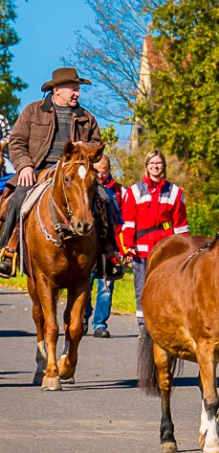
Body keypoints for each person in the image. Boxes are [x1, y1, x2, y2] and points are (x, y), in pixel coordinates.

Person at [0, 67, 108, 278]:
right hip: (38, 169)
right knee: (16, 200)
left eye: (78, 89)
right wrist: (24, 166)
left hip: (74, 172)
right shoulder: (33, 111)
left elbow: (97, 144)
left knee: (105, 200)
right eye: (73, 89)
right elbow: (17, 141)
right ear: (57, 89)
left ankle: (108, 255)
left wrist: (83, 147)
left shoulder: (87, 117)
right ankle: (8, 251)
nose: (77, 93)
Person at [121, 150, 188, 335]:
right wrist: (127, 247)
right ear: (146, 166)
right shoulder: (134, 191)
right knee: (142, 291)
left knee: (167, 290)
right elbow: (128, 222)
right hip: (141, 252)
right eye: (151, 163)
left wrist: (185, 250)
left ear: (163, 166)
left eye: (158, 163)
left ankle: (164, 328)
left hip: (167, 253)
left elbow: (181, 226)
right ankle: (144, 330)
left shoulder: (175, 192)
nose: (155, 166)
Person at [84, 154, 125, 338]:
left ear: (110, 170)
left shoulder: (119, 191)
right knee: (85, 285)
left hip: (107, 249)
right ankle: (83, 318)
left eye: (104, 171)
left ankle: (99, 324)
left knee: (105, 288)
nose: (101, 176)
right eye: (97, 172)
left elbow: (124, 222)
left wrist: (120, 248)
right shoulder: (86, 189)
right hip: (89, 247)